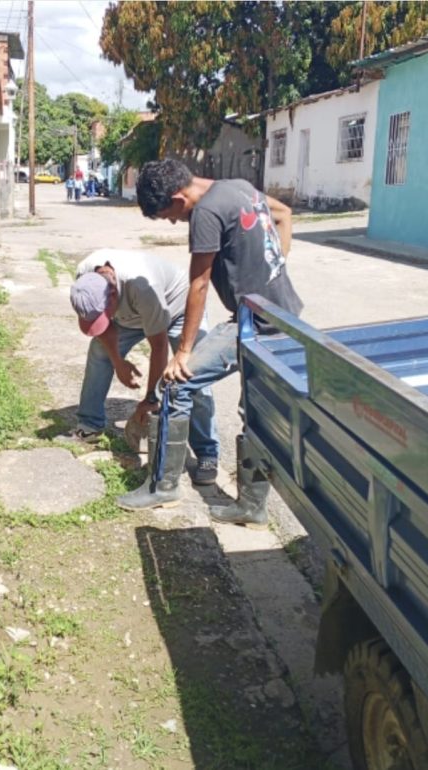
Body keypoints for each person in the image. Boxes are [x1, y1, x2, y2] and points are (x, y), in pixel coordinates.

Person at [117, 159, 303, 527]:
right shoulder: (238, 186)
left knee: (174, 385)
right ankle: (252, 506)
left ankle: (163, 487)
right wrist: (275, 266)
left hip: (256, 323)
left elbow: (198, 284)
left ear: (178, 196)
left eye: (167, 213)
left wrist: (182, 352)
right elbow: (283, 213)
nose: (171, 221)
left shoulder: (205, 212)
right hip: (284, 315)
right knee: (257, 409)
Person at [69, 248, 219, 486]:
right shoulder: (85, 279)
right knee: (99, 353)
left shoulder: (143, 285)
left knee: (193, 374)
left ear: (114, 294)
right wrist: (118, 362)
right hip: (130, 314)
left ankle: (207, 453)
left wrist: (151, 399)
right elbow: (103, 329)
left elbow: (158, 346)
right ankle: (89, 426)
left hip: (175, 307)